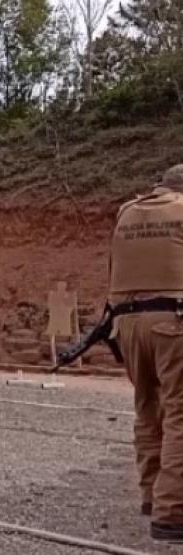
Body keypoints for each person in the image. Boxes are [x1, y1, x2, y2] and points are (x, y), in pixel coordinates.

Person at [109, 164, 183, 542]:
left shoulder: (126, 212)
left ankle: (151, 495)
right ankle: (173, 513)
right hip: (173, 323)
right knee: (180, 414)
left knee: (146, 407)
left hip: (126, 325)